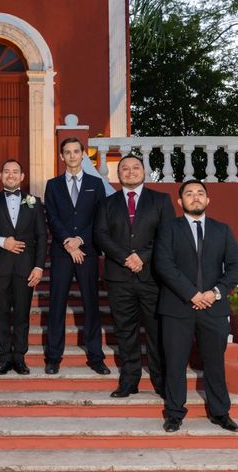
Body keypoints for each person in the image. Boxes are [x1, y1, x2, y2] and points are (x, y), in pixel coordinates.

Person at [154, 179, 238, 433]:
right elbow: (163, 264)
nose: (195, 197)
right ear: (180, 201)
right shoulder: (169, 229)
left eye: (200, 193)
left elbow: (236, 266)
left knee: (215, 362)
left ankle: (220, 413)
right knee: (175, 363)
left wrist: (214, 293)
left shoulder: (222, 230)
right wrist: (192, 294)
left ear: (208, 200)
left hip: (213, 308)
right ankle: (174, 413)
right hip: (176, 307)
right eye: (189, 194)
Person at [93, 155, 175, 398]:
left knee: (156, 330)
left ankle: (161, 380)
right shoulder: (107, 204)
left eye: (135, 168)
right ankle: (130, 380)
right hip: (119, 277)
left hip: (151, 277)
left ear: (144, 172)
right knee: (125, 331)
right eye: (125, 169)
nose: (130, 172)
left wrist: (142, 256)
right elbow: (101, 235)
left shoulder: (160, 200)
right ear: (118, 175)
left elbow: (167, 234)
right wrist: (125, 258)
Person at [0, 159, 47, 375]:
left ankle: (19, 357)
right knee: (1, 314)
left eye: (15, 171)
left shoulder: (34, 202)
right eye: (7, 172)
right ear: (1, 176)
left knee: (23, 314)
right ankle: (5, 358)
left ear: (22, 176)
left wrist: (39, 267)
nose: (11, 175)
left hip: (26, 267)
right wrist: (1, 240)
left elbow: (42, 237)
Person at [43, 137, 109, 375]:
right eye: (67, 152)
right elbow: (51, 216)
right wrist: (68, 243)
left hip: (87, 252)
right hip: (62, 252)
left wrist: (80, 240)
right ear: (62, 156)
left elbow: (100, 218)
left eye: (75, 151)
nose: (71, 155)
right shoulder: (52, 185)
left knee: (91, 304)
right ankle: (53, 356)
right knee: (56, 304)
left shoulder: (96, 183)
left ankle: (95, 356)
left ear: (83, 154)